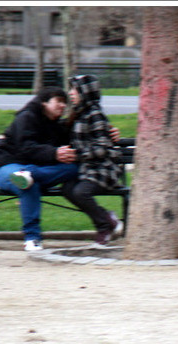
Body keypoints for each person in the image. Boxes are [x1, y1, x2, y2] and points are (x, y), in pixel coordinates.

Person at [0, 87, 78, 252]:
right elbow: (26, 148)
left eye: (65, 102)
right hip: (9, 166)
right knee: (29, 185)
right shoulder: (26, 118)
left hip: (35, 171)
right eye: (58, 101)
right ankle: (32, 238)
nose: (62, 106)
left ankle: (29, 175)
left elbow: (75, 144)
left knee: (74, 169)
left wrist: (109, 134)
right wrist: (54, 153)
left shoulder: (57, 125)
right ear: (44, 102)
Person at [66, 74, 125, 247]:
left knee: (80, 192)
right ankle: (108, 219)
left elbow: (102, 148)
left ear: (85, 92)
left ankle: (103, 227)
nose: (70, 93)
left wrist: (77, 155)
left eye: (74, 89)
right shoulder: (80, 114)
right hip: (88, 169)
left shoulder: (95, 114)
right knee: (68, 189)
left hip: (104, 169)